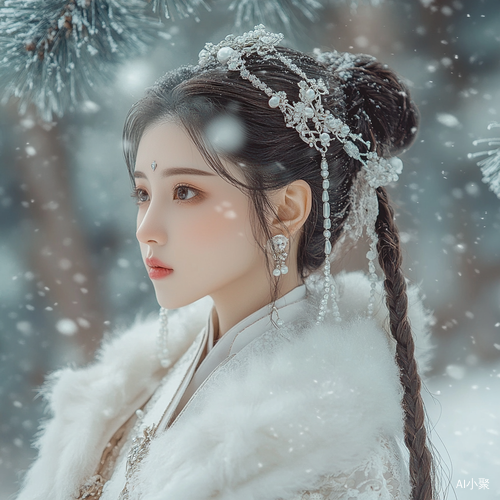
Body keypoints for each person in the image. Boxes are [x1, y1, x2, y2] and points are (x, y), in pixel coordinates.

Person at [16, 25, 439, 500]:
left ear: (286, 208)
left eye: (186, 192)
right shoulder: (133, 384)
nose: (146, 228)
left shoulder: (328, 443)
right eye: (142, 193)